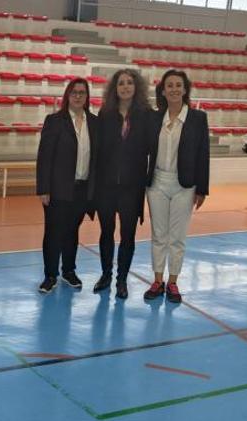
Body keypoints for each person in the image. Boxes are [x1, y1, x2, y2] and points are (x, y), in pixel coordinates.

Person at [144, 69, 210, 303]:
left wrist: (202, 188)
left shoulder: (198, 118)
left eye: (178, 85)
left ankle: (173, 282)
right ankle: (158, 280)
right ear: (163, 91)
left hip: (185, 185)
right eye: (169, 85)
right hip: (157, 183)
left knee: (178, 237)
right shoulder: (154, 118)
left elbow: (204, 154)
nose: (173, 89)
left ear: (185, 89)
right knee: (158, 235)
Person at [36, 77, 99, 294]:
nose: (78, 96)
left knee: (72, 232)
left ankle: (69, 271)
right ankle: (50, 275)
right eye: (74, 92)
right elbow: (44, 157)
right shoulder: (54, 121)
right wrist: (43, 188)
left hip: (82, 189)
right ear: (67, 96)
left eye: (82, 92)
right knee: (54, 233)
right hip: (58, 188)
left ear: (87, 96)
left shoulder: (94, 122)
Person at [93, 69, 153, 299]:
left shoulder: (146, 115)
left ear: (136, 87)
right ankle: (106, 274)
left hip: (131, 187)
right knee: (106, 232)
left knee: (127, 235)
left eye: (129, 82)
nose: (125, 87)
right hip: (106, 187)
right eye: (121, 83)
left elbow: (152, 149)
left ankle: (121, 280)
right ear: (114, 89)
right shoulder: (105, 114)